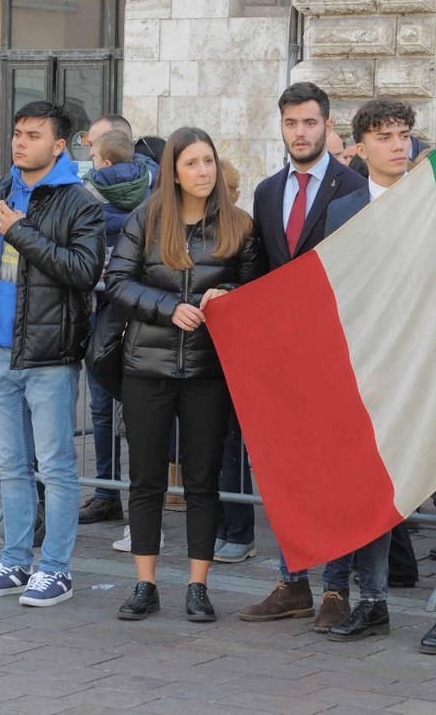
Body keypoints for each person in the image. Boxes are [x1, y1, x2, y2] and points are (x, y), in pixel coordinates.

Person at [313, 99, 436, 652]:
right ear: (359, 147)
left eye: (405, 134)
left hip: (432, 365)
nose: (399, 144)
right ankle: (372, 601)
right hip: (372, 368)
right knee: (375, 484)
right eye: (384, 137)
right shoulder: (344, 209)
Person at [105, 126, 261, 621]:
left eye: (209, 162)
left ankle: (198, 585)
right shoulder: (146, 219)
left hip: (208, 370)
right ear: (172, 170)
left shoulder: (239, 225)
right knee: (147, 479)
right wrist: (168, 306)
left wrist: (231, 295)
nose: (203, 171)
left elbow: (258, 291)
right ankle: (145, 583)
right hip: (146, 366)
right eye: (192, 163)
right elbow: (116, 282)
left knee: (202, 481)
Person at [0, 100, 105, 606]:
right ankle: (16, 560)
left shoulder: (79, 201)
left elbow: (84, 271)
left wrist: (19, 232)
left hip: (50, 353)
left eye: (33, 135)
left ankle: (58, 569)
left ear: (59, 144)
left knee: (57, 467)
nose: (21, 142)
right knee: (12, 465)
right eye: (17, 133)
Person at [238, 82, 366, 632]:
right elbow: (261, 270)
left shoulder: (353, 188)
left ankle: (336, 588)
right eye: (291, 123)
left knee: (333, 476)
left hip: (337, 351)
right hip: (284, 358)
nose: (300, 132)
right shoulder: (267, 192)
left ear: (327, 125)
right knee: (287, 471)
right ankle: (293, 582)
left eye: (310, 123)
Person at [77, 124, 157, 525]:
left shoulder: (85, 193)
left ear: (104, 159)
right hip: (147, 309)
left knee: (102, 405)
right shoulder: (155, 187)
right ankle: (148, 499)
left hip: (104, 307)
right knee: (145, 409)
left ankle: (107, 490)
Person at [213, 159, 256, 564]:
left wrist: (225, 289)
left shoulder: (242, 226)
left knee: (231, 446)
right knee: (209, 446)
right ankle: (222, 527)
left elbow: (250, 280)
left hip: (234, 349)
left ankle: (239, 529)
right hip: (201, 350)